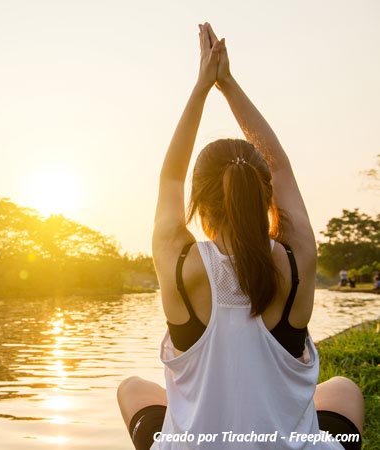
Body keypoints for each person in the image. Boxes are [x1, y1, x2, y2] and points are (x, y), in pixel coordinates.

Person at [117, 23, 363, 450]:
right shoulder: (296, 260)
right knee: (343, 391)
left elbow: (170, 176)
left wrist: (202, 88)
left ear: (200, 204)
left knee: (132, 389)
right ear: (265, 196)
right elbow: (282, 167)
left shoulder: (180, 264)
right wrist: (228, 86)